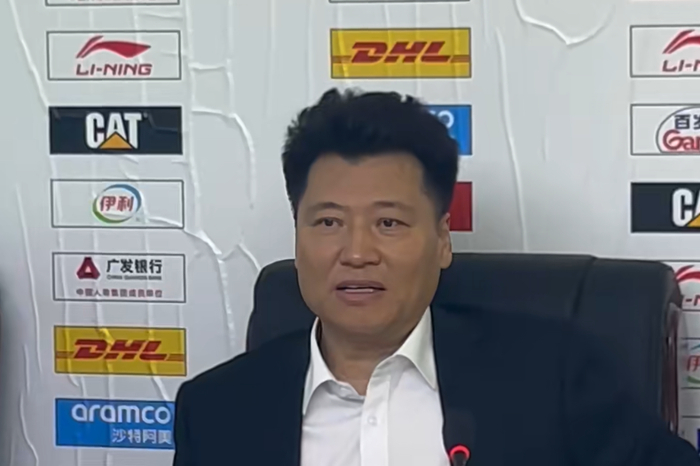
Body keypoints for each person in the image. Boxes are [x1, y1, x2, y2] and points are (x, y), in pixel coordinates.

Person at [172, 88, 700, 466]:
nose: (356, 253)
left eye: (388, 223)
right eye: (328, 223)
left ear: (443, 240)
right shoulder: (218, 412)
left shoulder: (553, 377)